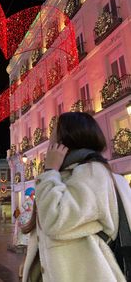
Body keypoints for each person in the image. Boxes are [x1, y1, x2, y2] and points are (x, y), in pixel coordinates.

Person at [21, 112, 131, 282]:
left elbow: (56, 221)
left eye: (54, 131)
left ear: (65, 138)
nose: (50, 137)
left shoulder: (91, 173)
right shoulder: (84, 173)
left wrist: (50, 171)